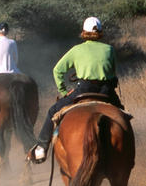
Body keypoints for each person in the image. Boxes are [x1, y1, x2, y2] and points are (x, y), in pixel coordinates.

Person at [27, 16, 123, 163]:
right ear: (100, 32)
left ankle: (41, 148)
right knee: (122, 115)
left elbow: (57, 70)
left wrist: (64, 91)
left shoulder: (76, 50)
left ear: (84, 32)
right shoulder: (109, 49)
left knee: (53, 111)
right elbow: (113, 72)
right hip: (106, 91)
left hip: (84, 89)